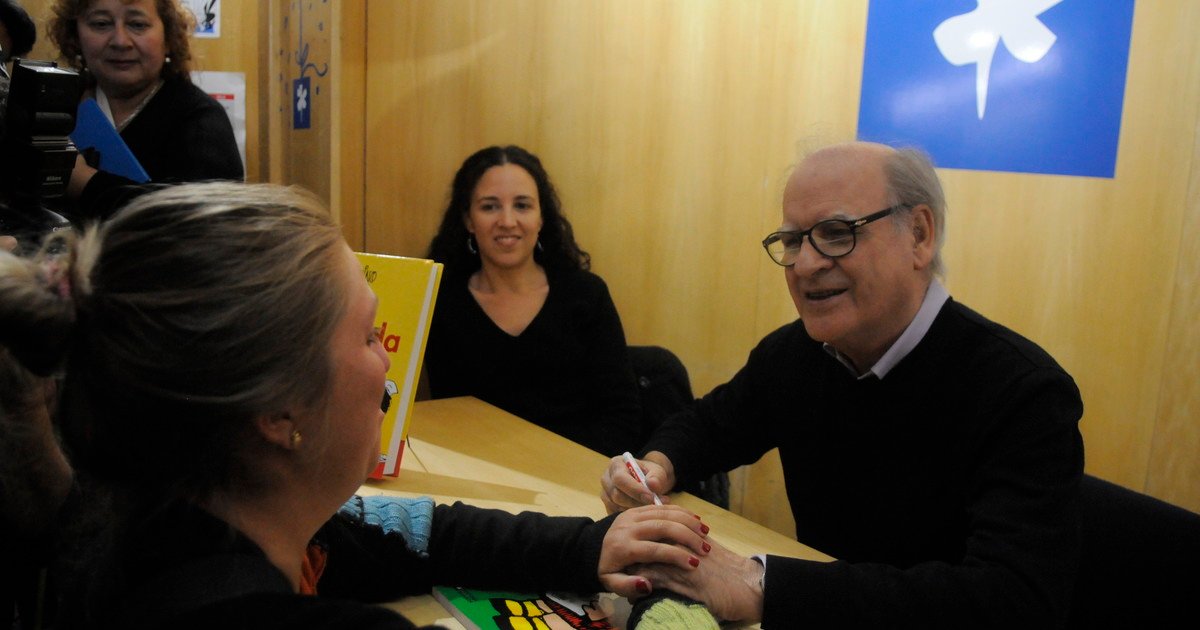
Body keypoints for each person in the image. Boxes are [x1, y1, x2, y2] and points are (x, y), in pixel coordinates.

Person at [0, 182, 712, 629]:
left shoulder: (166, 520)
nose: (389, 367)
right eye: (371, 335)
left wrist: (590, 545)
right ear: (280, 413)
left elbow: (412, 534)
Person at [601, 142, 1085, 627]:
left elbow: (1012, 602)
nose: (805, 265)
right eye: (792, 242)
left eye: (836, 234)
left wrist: (760, 584)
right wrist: (652, 469)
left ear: (919, 235)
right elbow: (709, 425)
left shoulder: (1024, 392)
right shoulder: (795, 354)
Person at [424, 145, 642, 457]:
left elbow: (623, 421)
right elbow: (450, 418)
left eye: (523, 206)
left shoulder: (587, 295)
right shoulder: (442, 301)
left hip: (578, 479)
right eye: (489, 207)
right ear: (468, 220)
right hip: (483, 482)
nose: (508, 221)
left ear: (541, 218)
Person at [47, 0, 242, 218]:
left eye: (138, 24)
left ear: (168, 38)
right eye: (101, 24)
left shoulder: (201, 121)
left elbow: (204, 223)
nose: (120, 41)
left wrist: (86, 182)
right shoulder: (53, 108)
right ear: (75, 37)